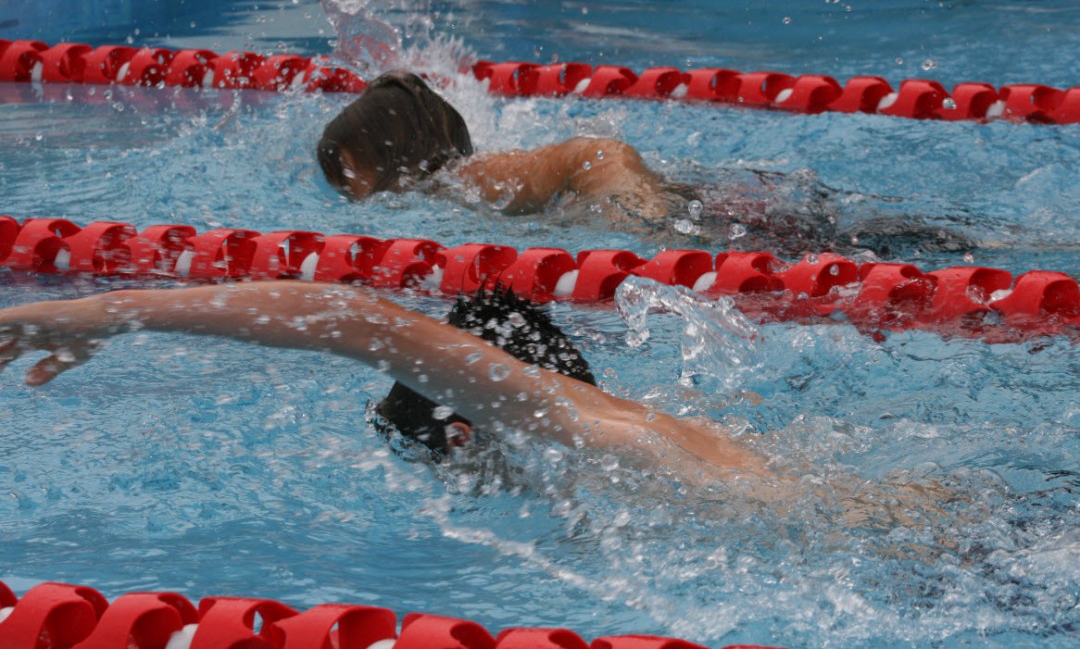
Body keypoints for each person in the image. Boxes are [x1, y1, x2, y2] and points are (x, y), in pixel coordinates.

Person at [0, 281, 773, 485]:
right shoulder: (628, 422)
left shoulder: (586, 434)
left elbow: (352, 319)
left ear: (463, 432)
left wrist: (114, 312)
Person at [316, 71, 976, 257]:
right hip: (701, 202)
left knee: (864, 248)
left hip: (681, 208)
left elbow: (592, 152)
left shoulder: (468, 179)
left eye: (350, 170)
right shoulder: (446, 193)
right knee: (874, 245)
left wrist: (647, 222)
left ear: (391, 152)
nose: (346, 190)